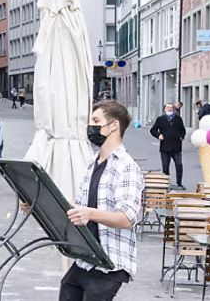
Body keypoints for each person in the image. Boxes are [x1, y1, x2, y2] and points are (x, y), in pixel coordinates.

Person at [61, 101, 144, 300]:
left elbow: (126, 218)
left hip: (110, 262)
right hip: (86, 259)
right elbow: (80, 207)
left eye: (96, 121)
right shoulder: (93, 163)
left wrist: (90, 213)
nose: (91, 127)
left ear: (114, 125)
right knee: (67, 288)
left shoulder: (126, 167)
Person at [149, 103, 186, 189]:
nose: (170, 109)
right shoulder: (160, 119)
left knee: (179, 165)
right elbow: (153, 130)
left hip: (176, 146)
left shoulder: (178, 119)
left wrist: (181, 136)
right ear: (164, 109)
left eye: (171, 108)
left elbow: (183, 130)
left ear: (173, 109)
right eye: (168, 107)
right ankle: (166, 183)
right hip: (165, 147)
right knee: (165, 166)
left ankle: (179, 183)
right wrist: (158, 135)